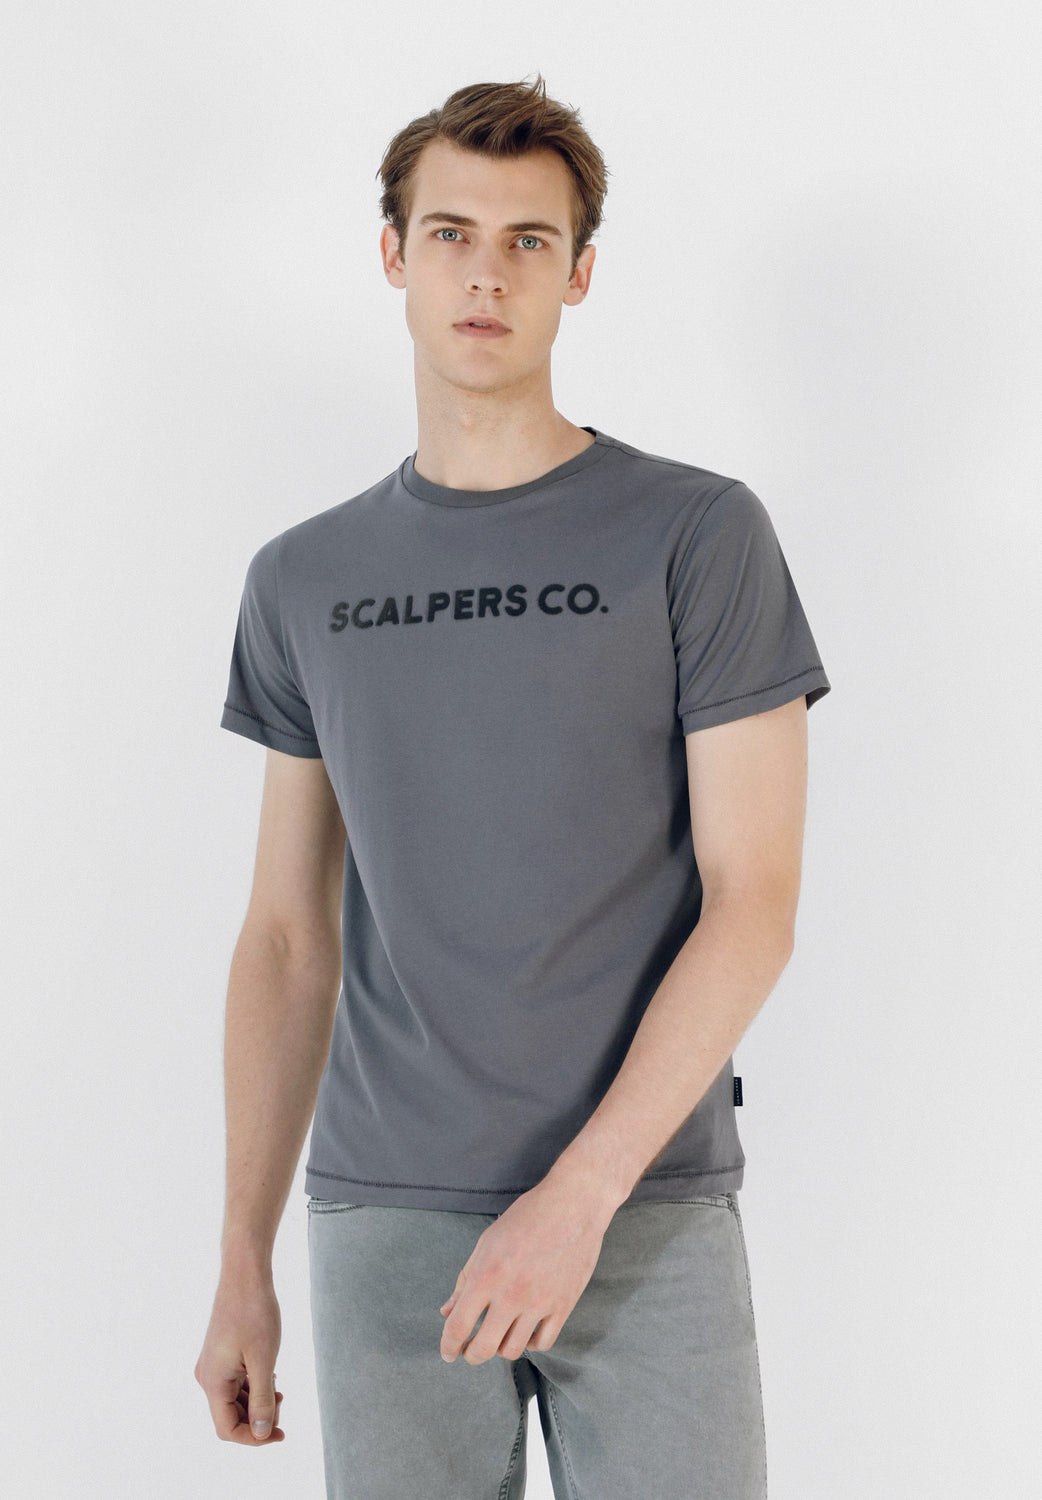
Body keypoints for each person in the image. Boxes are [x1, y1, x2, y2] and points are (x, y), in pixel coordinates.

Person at [194, 73, 831, 1498]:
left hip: (643, 1208)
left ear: (578, 273)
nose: (486, 273)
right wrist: (242, 1257)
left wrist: (576, 1198)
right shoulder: (302, 577)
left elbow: (754, 902)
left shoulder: (695, 534)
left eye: (528, 241)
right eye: (452, 233)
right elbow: (287, 937)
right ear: (394, 255)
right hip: (385, 1215)